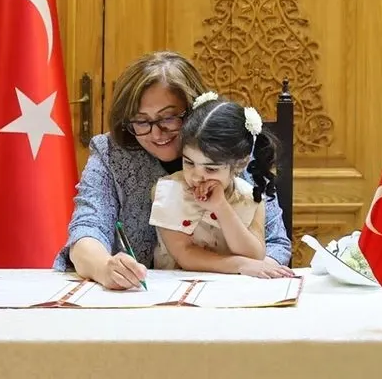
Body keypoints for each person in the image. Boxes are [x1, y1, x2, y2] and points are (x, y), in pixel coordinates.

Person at [53, 51, 293, 288]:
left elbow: (275, 244)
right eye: (141, 121)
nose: (157, 134)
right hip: (137, 295)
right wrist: (104, 267)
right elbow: (87, 229)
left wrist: (244, 275)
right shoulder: (110, 153)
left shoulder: (231, 150)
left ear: (194, 111)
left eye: (168, 118)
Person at [150, 93, 278, 270]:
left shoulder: (250, 198)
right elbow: (184, 254)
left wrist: (221, 208)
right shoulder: (169, 191)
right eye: (189, 163)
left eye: (210, 169)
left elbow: (254, 256)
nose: (196, 176)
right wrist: (239, 265)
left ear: (240, 164)